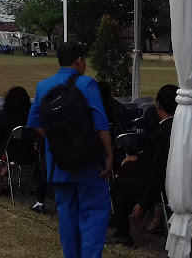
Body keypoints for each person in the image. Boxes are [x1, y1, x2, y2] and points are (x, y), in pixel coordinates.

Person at [27, 42, 113, 258]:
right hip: (89, 161)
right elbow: (101, 125)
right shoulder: (87, 84)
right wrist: (109, 155)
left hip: (59, 162)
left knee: (66, 215)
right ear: (80, 61)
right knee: (93, 214)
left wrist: (59, 139)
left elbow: (35, 124)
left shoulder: (43, 86)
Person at [109, 84, 177, 244]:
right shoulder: (185, 127)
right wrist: (138, 158)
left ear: (158, 105)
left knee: (122, 184)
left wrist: (144, 203)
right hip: (184, 181)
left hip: (164, 182)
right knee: (128, 169)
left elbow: (158, 170)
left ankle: (123, 231)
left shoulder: (164, 131)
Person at [0, 86, 31, 192]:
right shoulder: (30, 114)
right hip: (29, 149)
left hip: (9, 149)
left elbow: (0, 134)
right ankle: (5, 170)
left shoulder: (6, 115)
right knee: (10, 150)